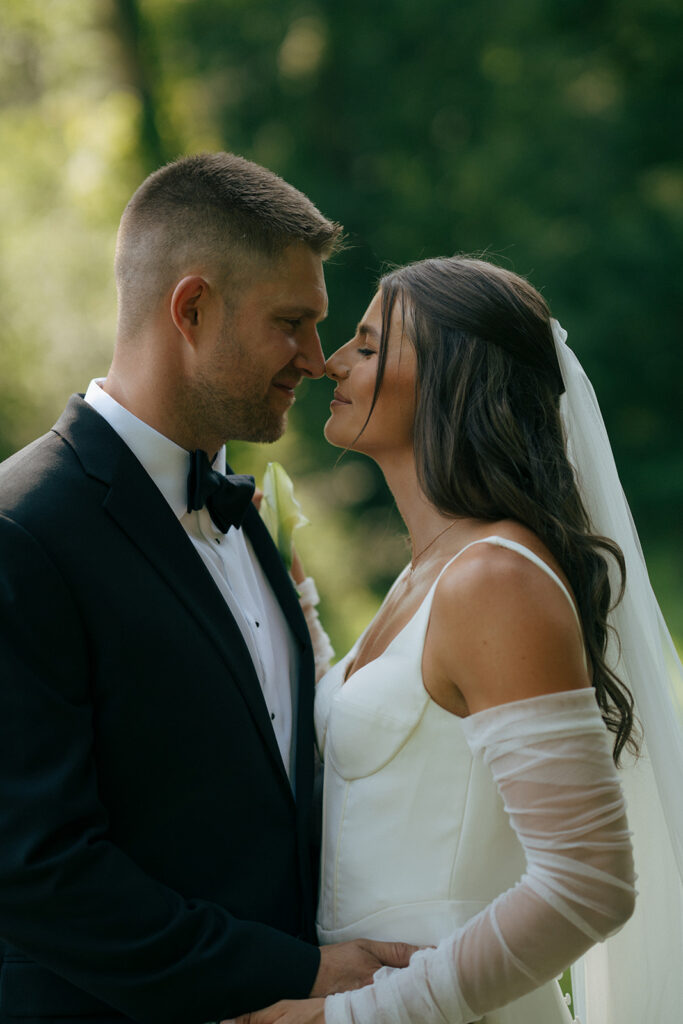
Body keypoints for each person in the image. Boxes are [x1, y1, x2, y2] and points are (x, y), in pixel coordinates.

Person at [0, 153, 415, 1024]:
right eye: (291, 324)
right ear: (190, 308)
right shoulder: (22, 531)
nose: (318, 360)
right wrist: (295, 974)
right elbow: (37, 868)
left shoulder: (244, 510)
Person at [231, 256, 683, 1024]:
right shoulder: (425, 578)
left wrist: (348, 1018)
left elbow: (590, 882)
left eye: (368, 347)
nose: (330, 362)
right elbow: (391, 763)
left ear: (453, 377)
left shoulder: (494, 581)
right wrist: (287, 591)